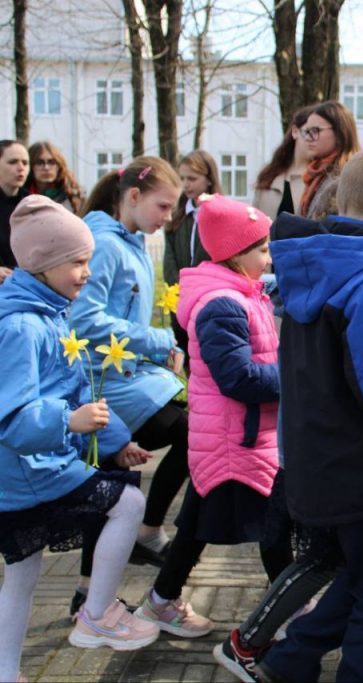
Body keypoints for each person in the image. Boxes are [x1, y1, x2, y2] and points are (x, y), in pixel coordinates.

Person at [212, 178, 363, 682]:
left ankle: (289, 662)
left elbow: (341, 375)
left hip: (316, 463)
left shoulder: (309, 271)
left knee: (361, 578)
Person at [0, 196, 159, 683]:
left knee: (23, 575)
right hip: (30, 470)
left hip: (31, 472)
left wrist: (114, 441)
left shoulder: (50, 312)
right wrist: (69, 423)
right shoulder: (22, 327)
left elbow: (78, 389)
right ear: (43, 264)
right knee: (128, 504)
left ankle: (7, 673)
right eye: (77, 262)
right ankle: (95, 616)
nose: (87, 273)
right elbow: (12, 419)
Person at [133, 195, 287, 638]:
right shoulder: (222, 304)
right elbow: (238, 379)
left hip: (237, 439)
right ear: (236, 254)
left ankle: (161, 602)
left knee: (196, 527)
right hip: (235, 440)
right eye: (261, 249)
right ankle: (289, 608)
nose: (268, 256)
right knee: (273, 531)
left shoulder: (242, 292)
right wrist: (294, 377)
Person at [69, 158, 186, 605]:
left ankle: (87, 595)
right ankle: (145, 531)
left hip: (127, 377)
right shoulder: (104, 242)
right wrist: (158, 341)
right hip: (104, 384)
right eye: (163, 206)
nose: (168, 217)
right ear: (133, 198)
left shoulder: (130, 239)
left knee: (115, 481)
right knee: (188, 437)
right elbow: (86, 320)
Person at [163, 150, 221, 361]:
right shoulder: (177, 216)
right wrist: (177, 288)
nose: (186, 184)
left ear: (208, 179)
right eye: (182, 179)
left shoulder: (219, 214)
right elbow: (169, 259)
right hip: (180, 298)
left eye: (192, 179)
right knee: (186, 354)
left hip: (207, 297)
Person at [296, 101, 360, 218]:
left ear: (339, 132)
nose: (308, 138)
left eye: (315, 131)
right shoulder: (315, 174)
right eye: (306, 132)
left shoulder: (347, 177)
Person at [252, 104, 316, 219]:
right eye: (310, 132)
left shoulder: (320, 179)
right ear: (295, 131)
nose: (314, 139)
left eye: (319, 133)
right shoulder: (269, 175)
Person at [0, 140, 30, 285]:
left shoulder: (33, 205)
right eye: (13, 162)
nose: (20, 168)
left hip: (24, 286)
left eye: (25, 163)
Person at [26, 141, 84, 214]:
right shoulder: (21, 195)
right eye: (40, 162)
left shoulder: (72, 196)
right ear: (31, 166)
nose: (46, 167)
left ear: (59, 166)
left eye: (51, 162)